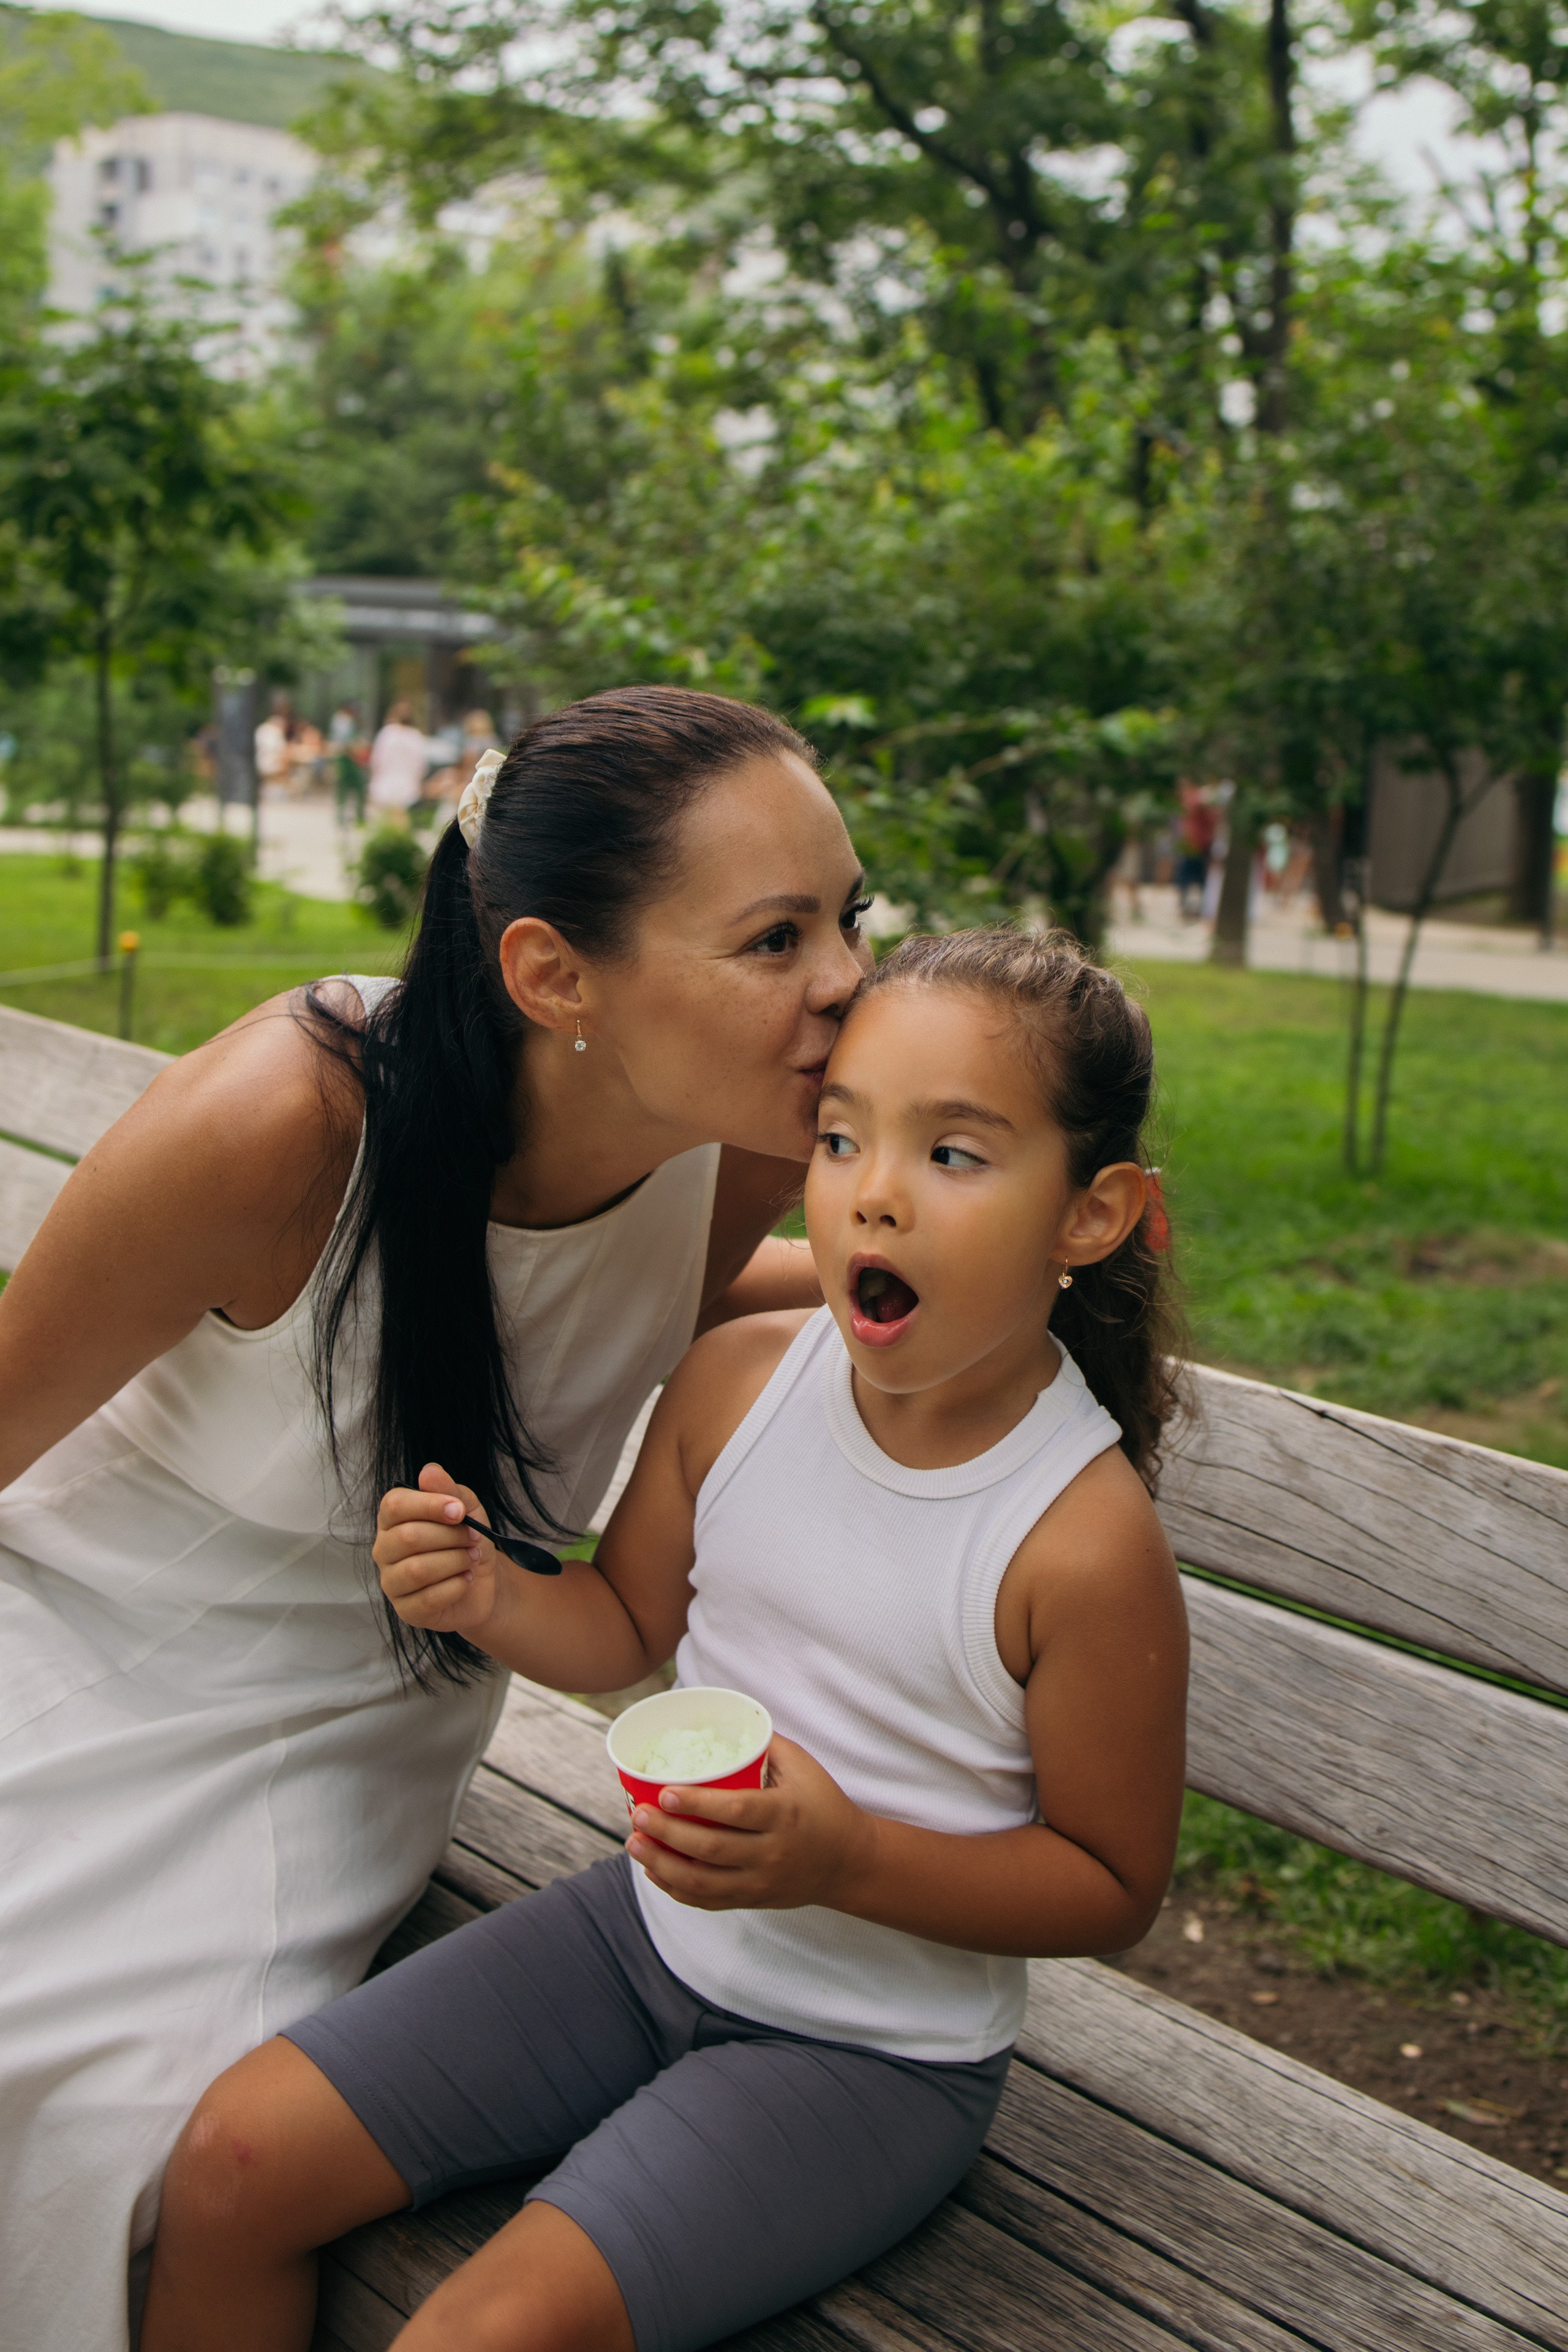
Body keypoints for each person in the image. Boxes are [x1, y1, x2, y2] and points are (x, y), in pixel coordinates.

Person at [145, 927, 1189, 2352]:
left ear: (1091, 1212)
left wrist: (846, 1860)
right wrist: (489, 1589)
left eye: (952, 1154)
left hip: (866, 2055)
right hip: (640, 1934)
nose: (873, 1194)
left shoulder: (1076, 1539)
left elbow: (1110, 1883)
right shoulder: (738, 1382)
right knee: (229, 2164)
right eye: (839, 1138)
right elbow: (627, 1622)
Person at [0, 686, 875, 2352]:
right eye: (777, 938)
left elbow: (636, 1297)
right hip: (67, 1633)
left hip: (345, 1733)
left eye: (850, 916)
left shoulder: (750, 1139)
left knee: (102, 2099)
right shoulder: (284, 1120)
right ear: (552, 974)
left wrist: (923, 1284)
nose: (847, 979)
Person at [366, 699, 430, 816]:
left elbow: (376, 762)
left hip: (398, 788)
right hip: (395, 788)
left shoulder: (391, 734)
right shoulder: (393, 734)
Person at [329, 701, 367, 828]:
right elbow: (346, 744)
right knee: (355, 787)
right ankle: (356, 817)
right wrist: (358, 755)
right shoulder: (344, 721)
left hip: (344, 758)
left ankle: (345, 818)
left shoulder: (340, 720)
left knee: (343, 789)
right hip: (346, 758)